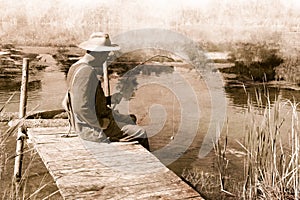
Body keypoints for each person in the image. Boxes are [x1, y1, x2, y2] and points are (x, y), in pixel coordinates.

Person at [62, 32, 150, 150]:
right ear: (99, 53)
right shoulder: (86, 72)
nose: (107, 57)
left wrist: (109, 99)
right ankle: (145, 165)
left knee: (131, 118)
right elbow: (80, 108)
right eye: (106, 53)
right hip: (91, 130)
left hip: (95, 120)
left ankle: (129, 149)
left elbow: (78, 100)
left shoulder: (76, 66)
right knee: (141, 133)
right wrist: (101, 124)